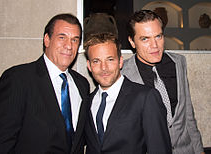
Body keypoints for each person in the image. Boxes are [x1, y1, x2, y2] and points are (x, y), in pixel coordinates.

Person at [0, 13, 89, 154]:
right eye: (62, 38)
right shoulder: (18, 79)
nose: (69, 46)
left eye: (75, 40)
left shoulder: (82, 84)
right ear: (47, 40)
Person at [121, 10, 205, 154]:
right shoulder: (123, 74)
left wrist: (199, 150)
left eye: (158, 36)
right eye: (145, 39)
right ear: (132, 42)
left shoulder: (179, 62)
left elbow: (187, 113)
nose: (155, 45)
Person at [83, 33, 172, 154]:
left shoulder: (145, 97)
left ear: (120, 62)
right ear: (89, 66)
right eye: (96, 61)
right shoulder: (87, 101)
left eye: (110, 59)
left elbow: (159, 149)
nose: (104, 67)